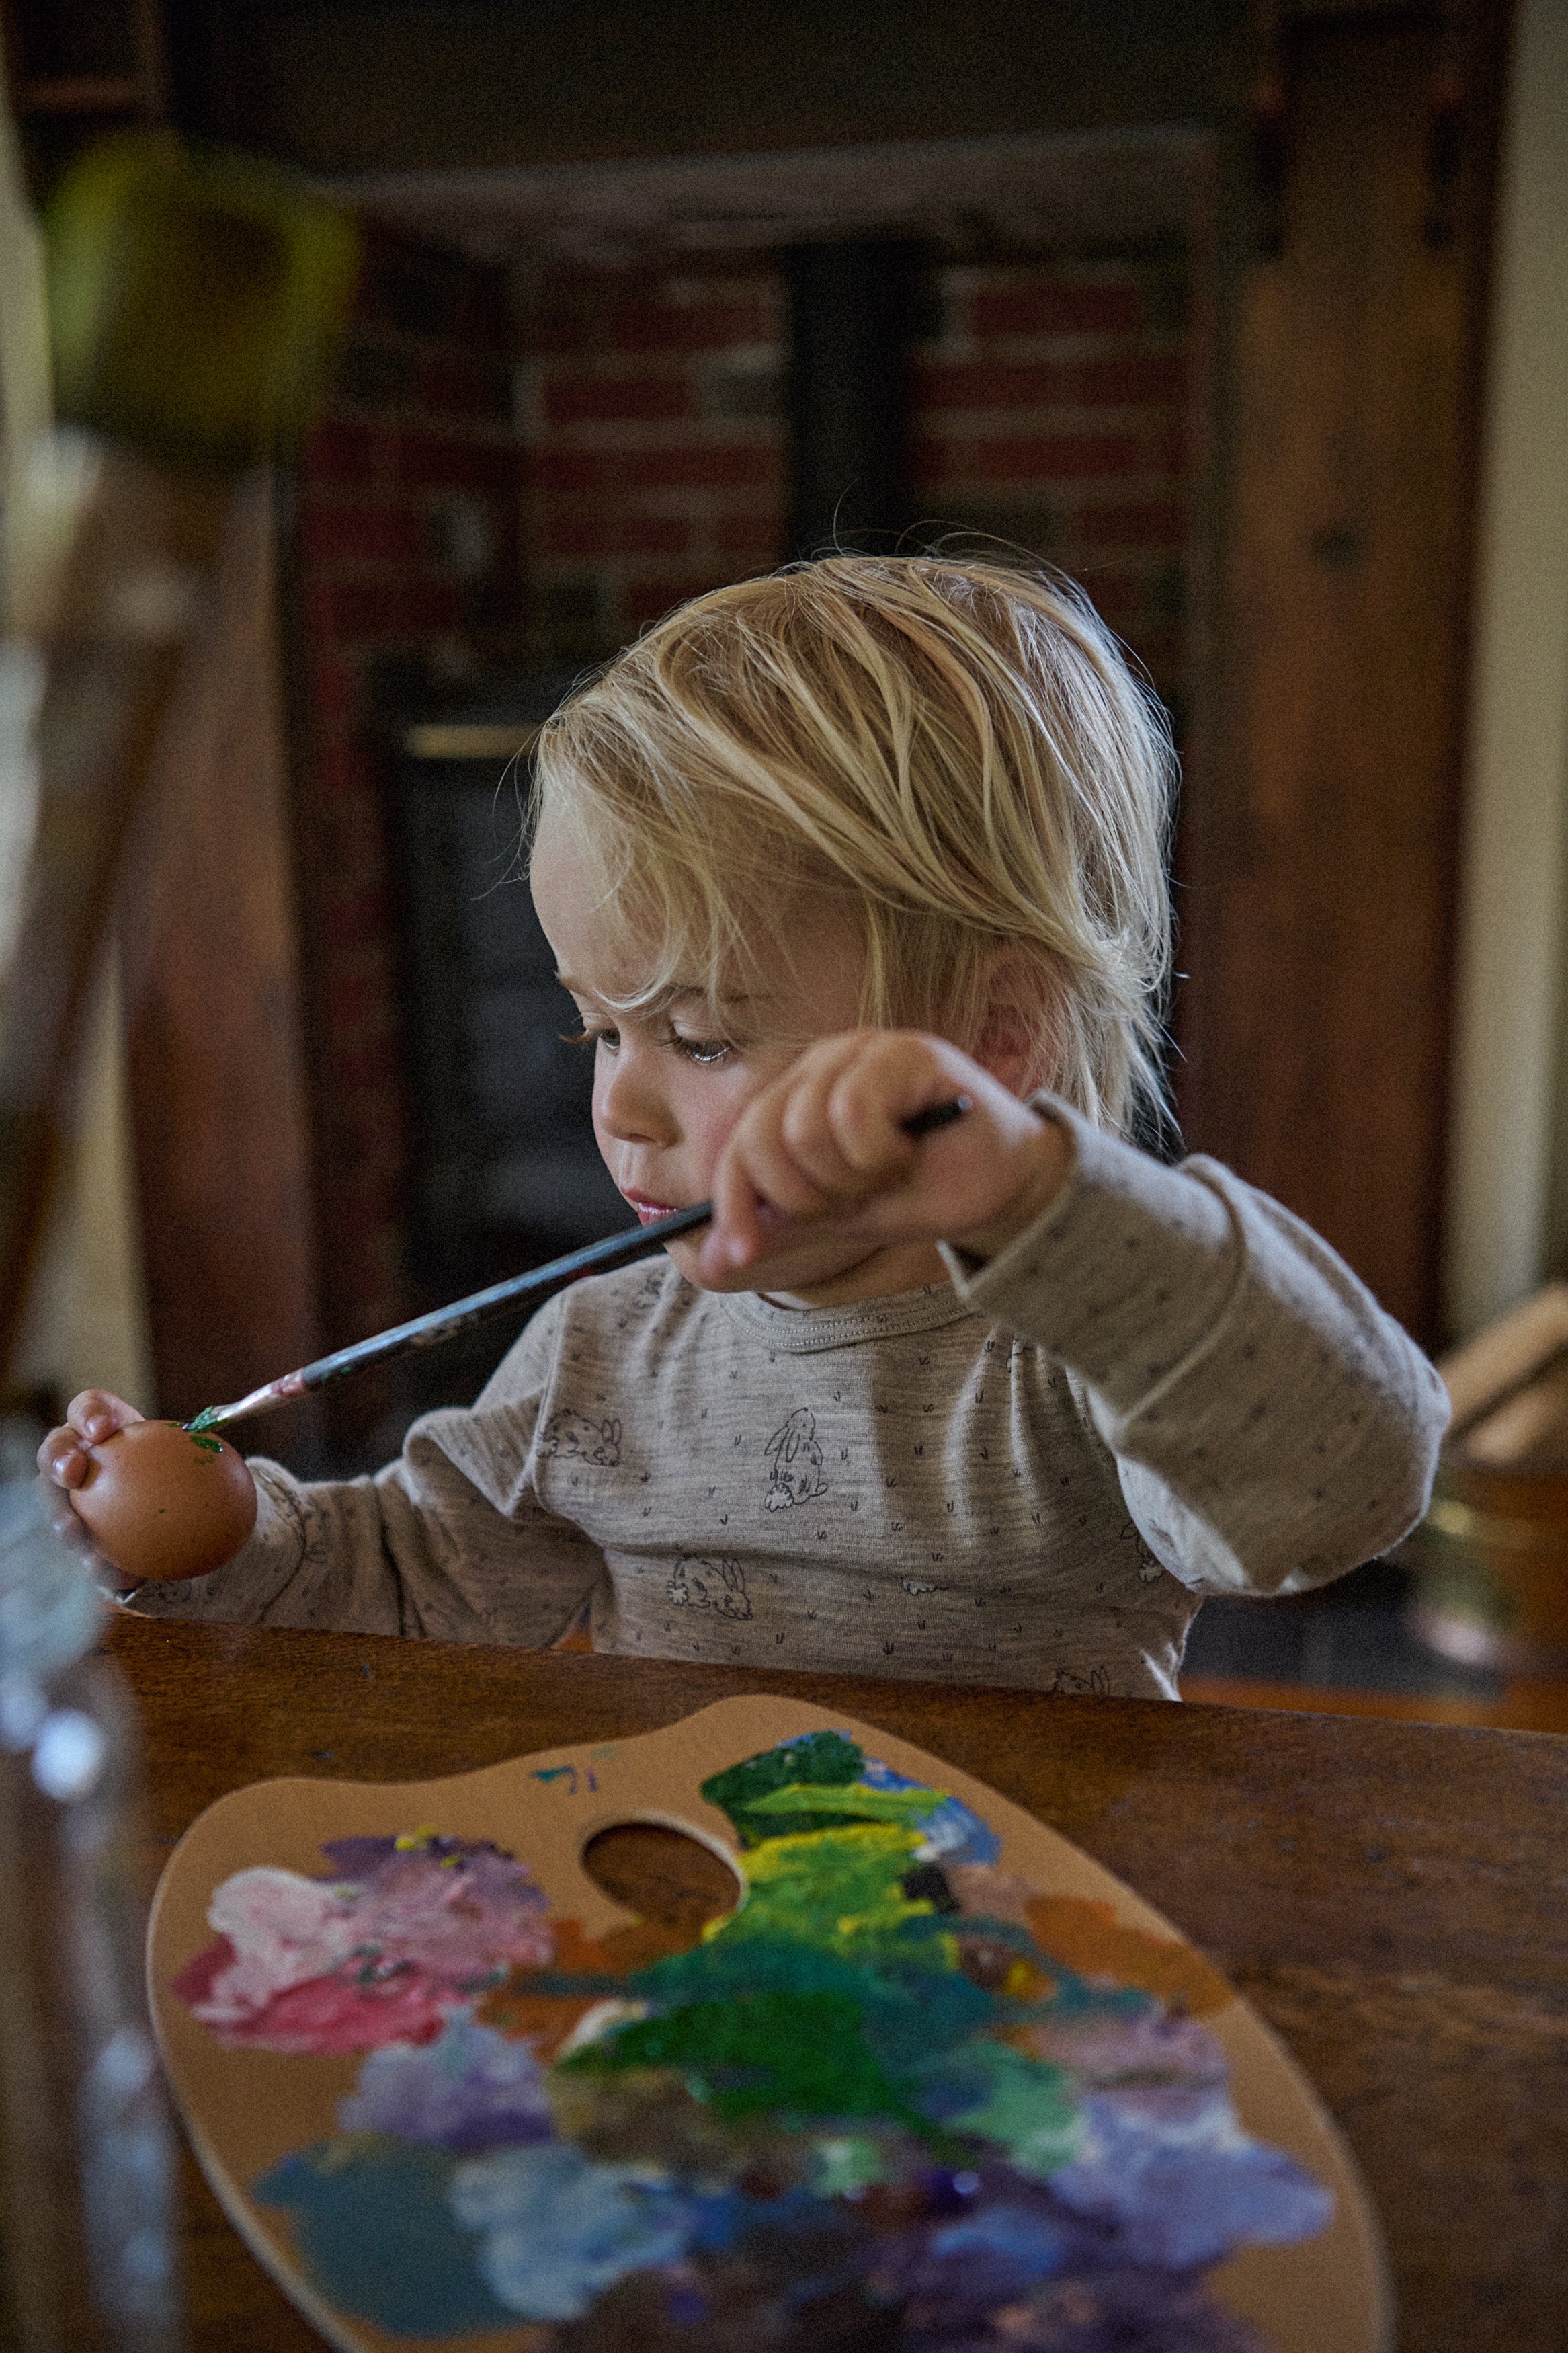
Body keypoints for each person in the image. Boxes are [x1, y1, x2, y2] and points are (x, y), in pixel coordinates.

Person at [40, 555, 1448, 1698]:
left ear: (994, 1038)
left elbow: (1344, 1484)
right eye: (600, 1031)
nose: (621, 1106)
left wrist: (1046, 1203)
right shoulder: (603, 1355)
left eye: (702, 1037)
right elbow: (419, 1574)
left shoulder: (1077, 1355)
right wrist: (221, 1525)